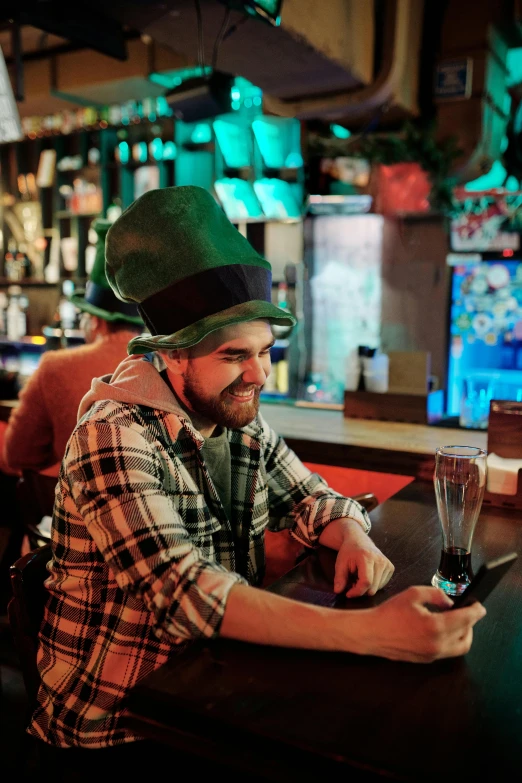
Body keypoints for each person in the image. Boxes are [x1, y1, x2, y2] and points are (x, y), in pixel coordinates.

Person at [28, 187, 485, 764]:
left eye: (266, 350)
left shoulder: (235, 414)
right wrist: (376, 635)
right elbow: (183, 594)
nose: (258, 373)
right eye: (233, 355)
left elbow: (310, 494)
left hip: (209, 688)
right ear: (172, 354)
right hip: (113, 723)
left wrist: (350, 533)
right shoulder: (114, 434)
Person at [2, 219, 143, 476]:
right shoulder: (168, 361)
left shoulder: (56, 366)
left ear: (96, 321)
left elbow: (17, 453)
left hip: (72, 509)